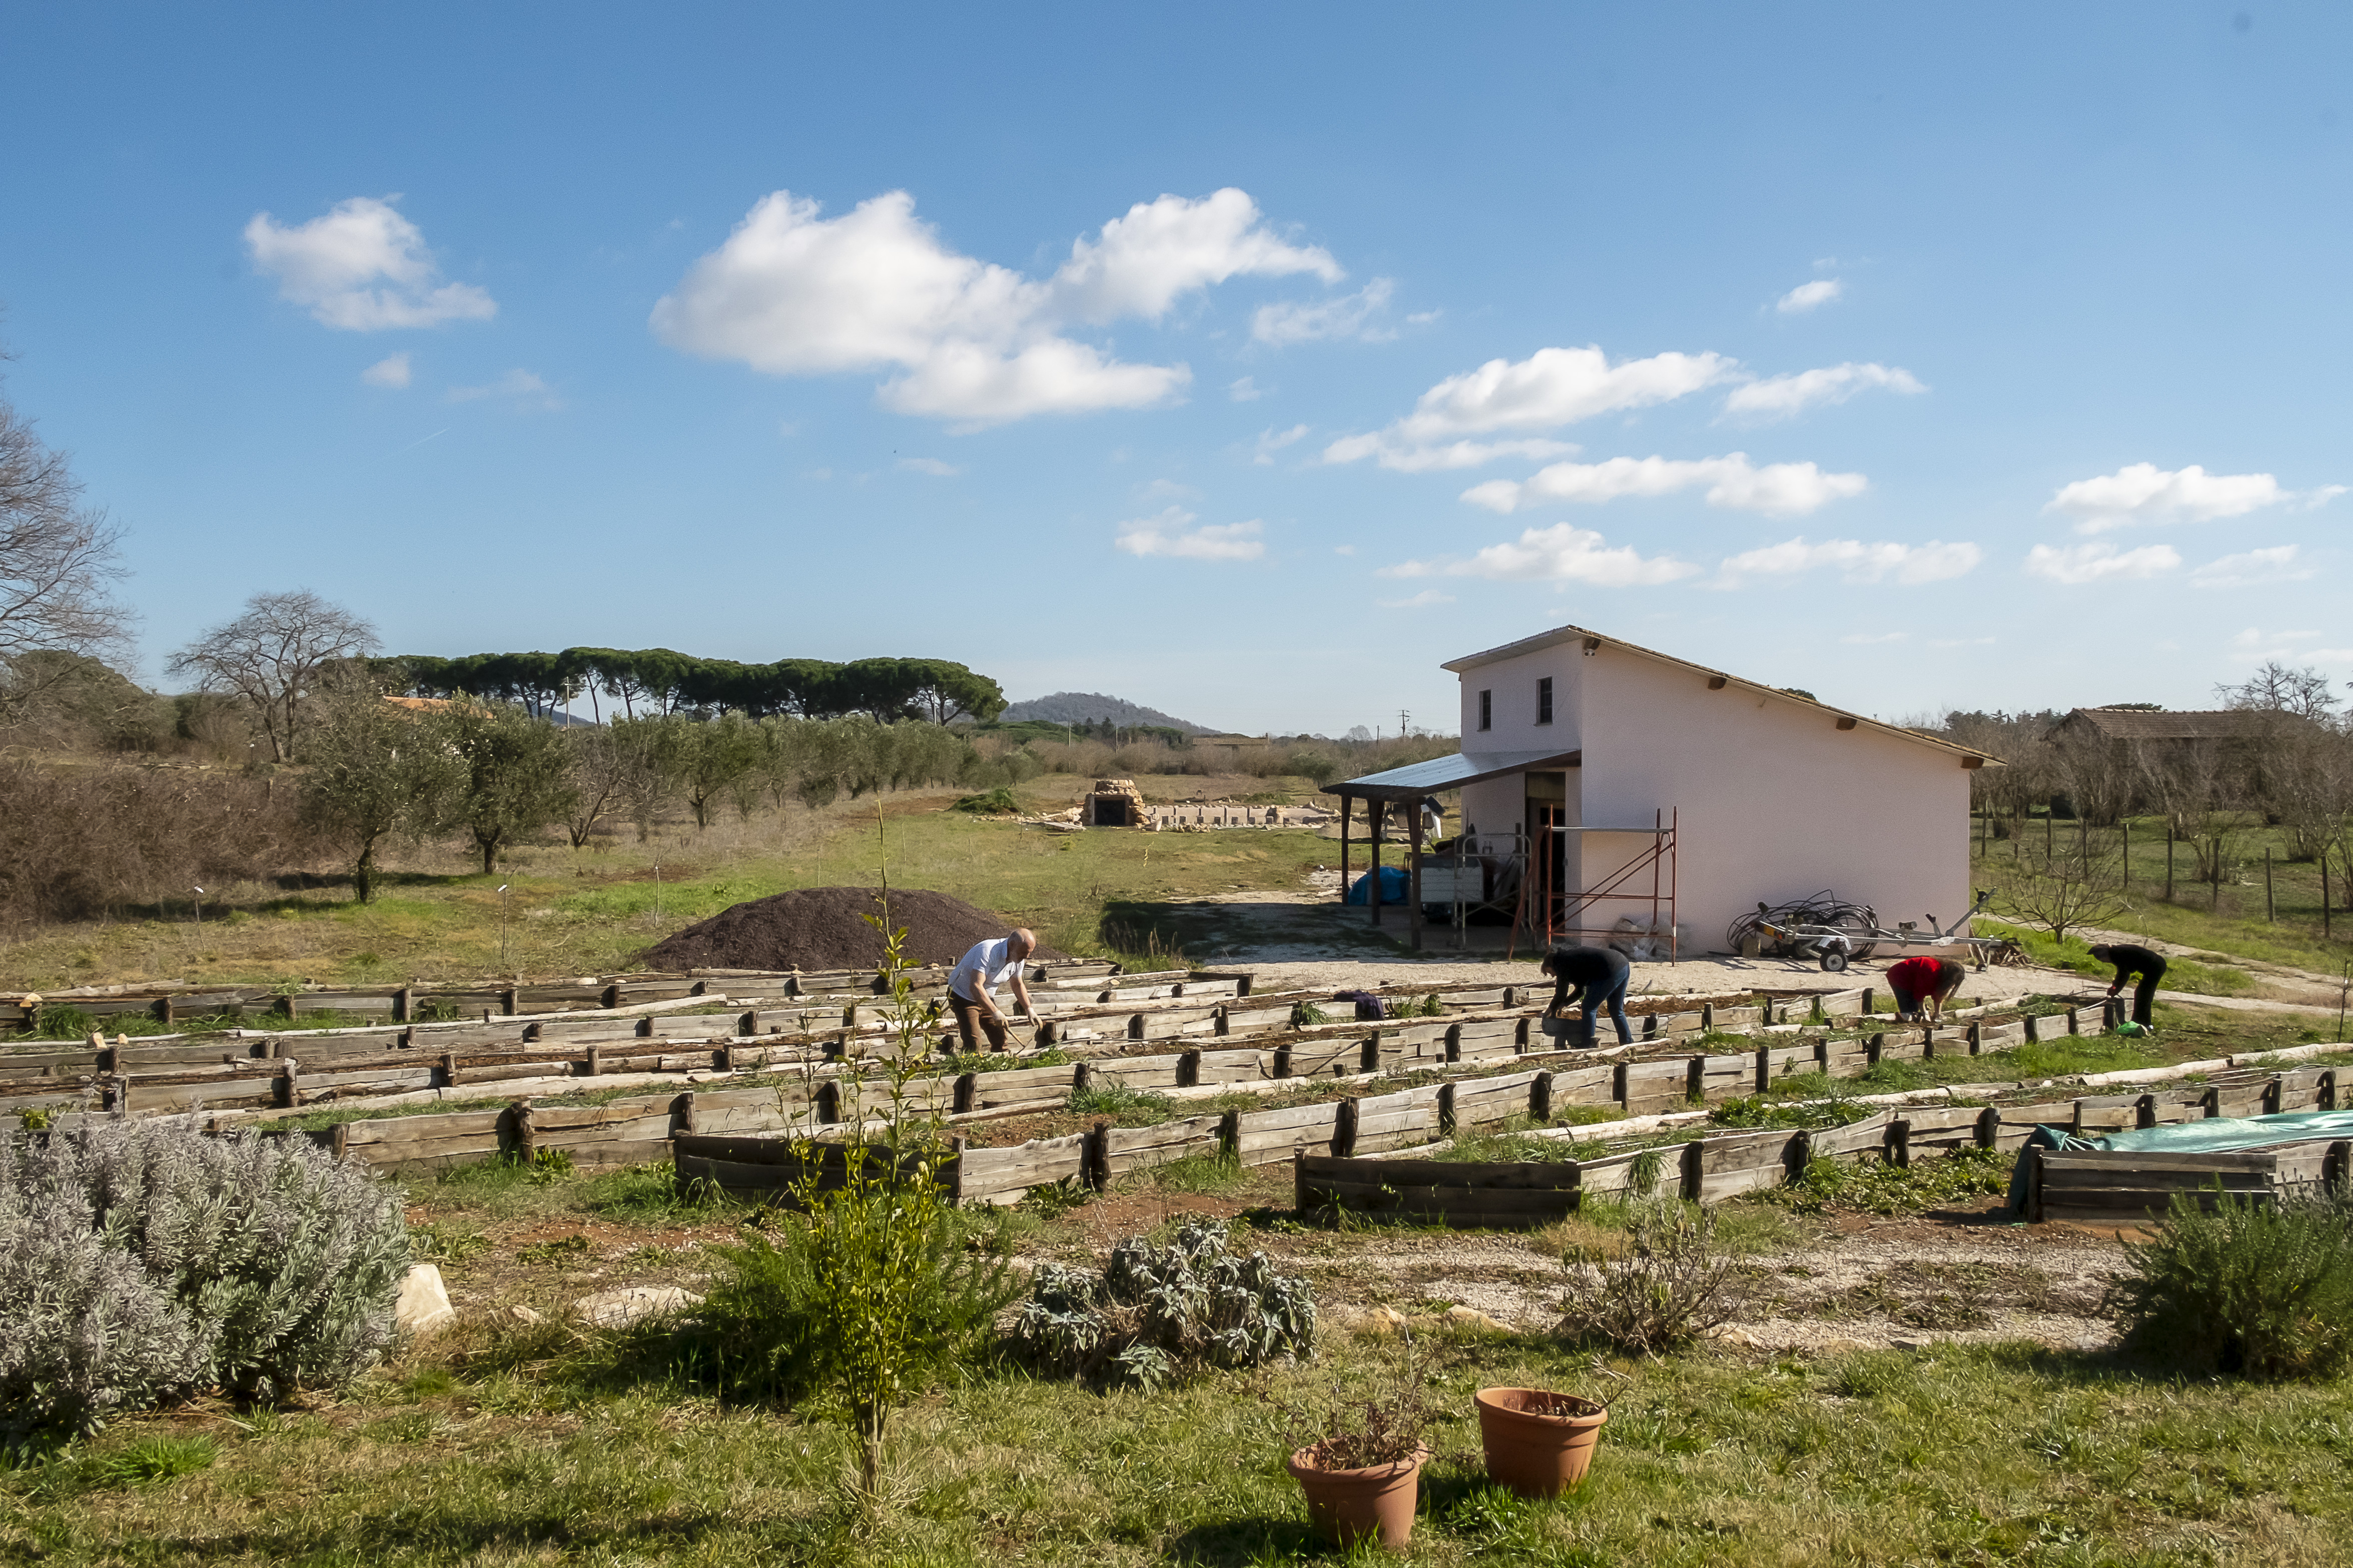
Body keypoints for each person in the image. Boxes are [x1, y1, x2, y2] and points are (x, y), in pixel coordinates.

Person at [946, 929, 1038, 1052]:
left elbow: (1017, 984)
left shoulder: (1018, 958)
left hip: (985, 997)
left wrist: (1029, 1009)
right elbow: (976, 986)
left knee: (1000, 1038)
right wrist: (995, 1012)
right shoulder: (988, 950)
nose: (1027, 957)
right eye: (1025, 952)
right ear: (1012, 945)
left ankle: (1001, 1065)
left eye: (1029, 953)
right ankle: (967, 1066)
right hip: (963, 997)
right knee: (974, 1042)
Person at [1541, 943, 1632, 1048]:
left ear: (1552, 964)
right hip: (1622, 963)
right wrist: (1564, 1004)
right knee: (1616, 1009)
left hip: (1608, 969)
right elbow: (1580, 992)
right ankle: (1627, 1043)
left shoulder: (1561, 965)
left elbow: (1561, 994)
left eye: (1550, 972)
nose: (1553, 975)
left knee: (1588, 1008)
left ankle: (1587, 1044)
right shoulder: (1570, 961)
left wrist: (1550, 1010)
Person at [2088, 943, 2166, 1031]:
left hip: (2156, 967)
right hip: (2157, 965)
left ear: (2105, 956)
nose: (2106, 962)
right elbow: (2122, 974)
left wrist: (2115, 990)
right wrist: (2115, 987)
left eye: (2103, 961)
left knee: (2144, 996)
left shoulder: (2117, 955)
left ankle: (2143, 1024)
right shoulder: (2117, 951)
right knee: (2143, 994)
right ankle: (2141, 1023)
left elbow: (2124, 975)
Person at [1883, 954, 1965, 1024]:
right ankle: (1901, 1020)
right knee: (1911, 1009)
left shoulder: (1941, 978)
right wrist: (1925, 1013)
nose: (1951, 987)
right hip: (1899, 976)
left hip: (1913, 979)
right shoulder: (1931, 971)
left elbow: (1939, 997)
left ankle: (1906, 1018)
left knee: (1915, 1011)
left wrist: (1937, 1014)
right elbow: (1919, 993)